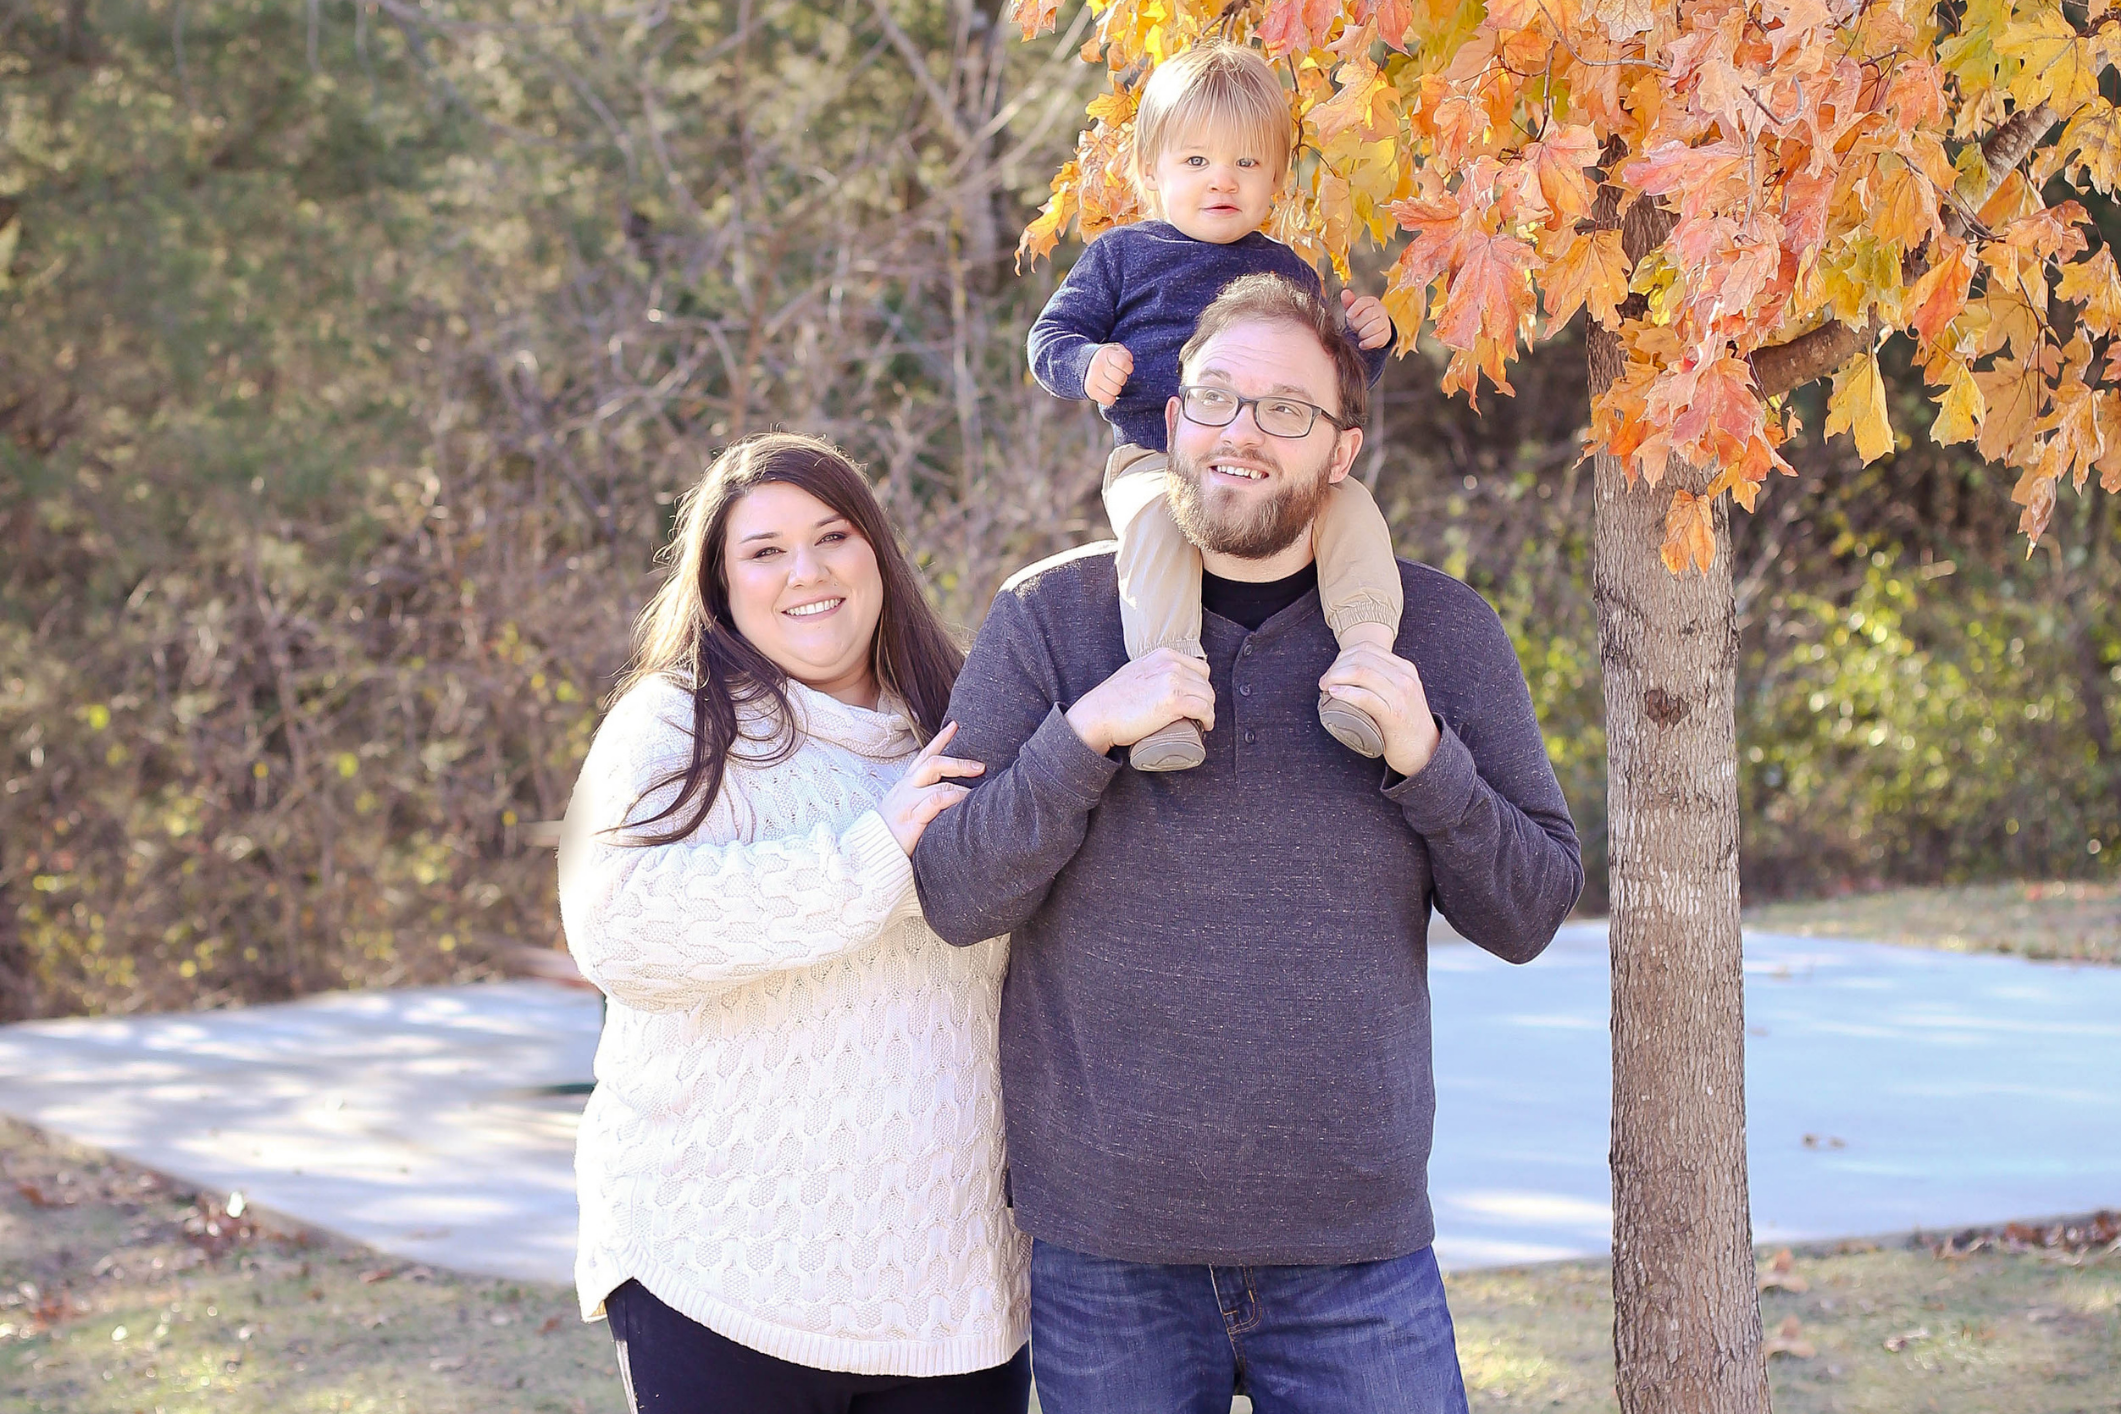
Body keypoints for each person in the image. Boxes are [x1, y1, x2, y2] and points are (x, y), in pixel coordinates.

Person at [913, 276, 1584, 1413]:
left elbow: (1528, 912)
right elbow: (956, 891)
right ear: (1171, 420)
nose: (1241, 432)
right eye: (1216, 398)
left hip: (1356, 1251)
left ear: (1343, 449)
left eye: (1286, 410)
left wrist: (1429, 760)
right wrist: (1084, 735)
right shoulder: (1051, 620)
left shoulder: (1443, 633)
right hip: (1109, 1249)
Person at [557, 432, 1030, 1413]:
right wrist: (876, 851)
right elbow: (621, 931)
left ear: (878, 557)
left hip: (953, 1289)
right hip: (718, 1268)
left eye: (832, 536)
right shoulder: (674, 724)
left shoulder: (970, 725)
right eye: (764, 551)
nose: (805, 571)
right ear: (722, 585)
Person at [1028, 41, 1401, 772]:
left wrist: (1368, 344)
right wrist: (1086, 363)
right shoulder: (1121, 257)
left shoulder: (1287, 270)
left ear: (1276, 179)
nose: (1220, 180)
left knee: (1349, 504)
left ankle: (1363, 670)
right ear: (1149, 171)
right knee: (1153, 525)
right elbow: (1049, 339)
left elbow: (1329, 386)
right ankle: (1169, 693)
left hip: (1269, 464)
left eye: (1246, 163)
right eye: (1195, 161)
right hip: (1156, 458)